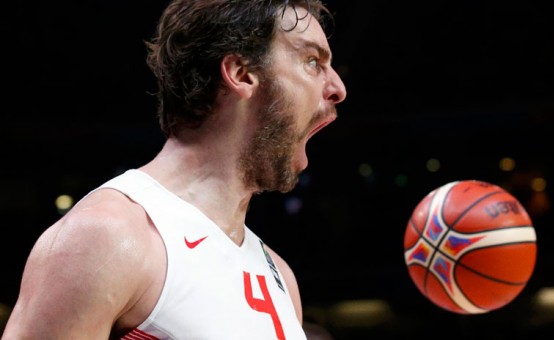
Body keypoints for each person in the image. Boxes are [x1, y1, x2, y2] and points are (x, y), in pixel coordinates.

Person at [2, 0, 346, 338]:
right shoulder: (108, 236)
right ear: (241, 74)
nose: (338, 88)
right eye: (313, 61)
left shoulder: (280, 279)